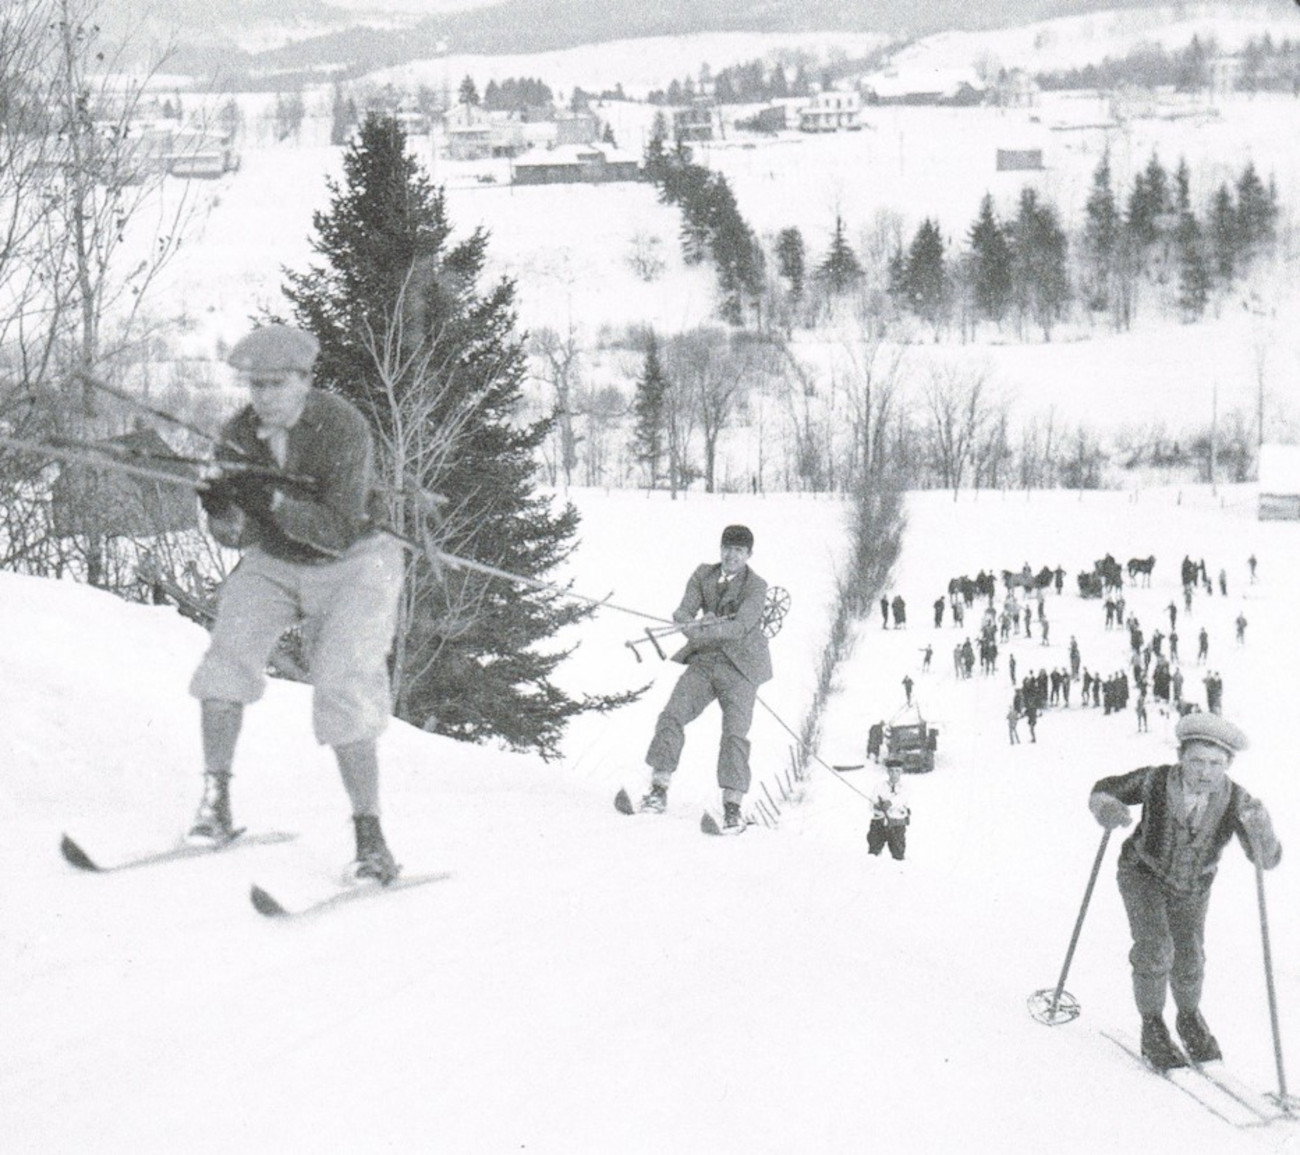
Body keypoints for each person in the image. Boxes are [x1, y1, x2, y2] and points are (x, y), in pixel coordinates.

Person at [187, 325, 408, 883]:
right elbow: (235, 537)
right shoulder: (240, 433)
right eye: (255, 386)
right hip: (278, 561)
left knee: (341, 681)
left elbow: (336, 529)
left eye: (277, 384)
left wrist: (272, 500)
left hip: (355, 561)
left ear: (306, 382)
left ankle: (370, 838)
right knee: (225, 660)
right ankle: (215, 803)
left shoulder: (341, 426)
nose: (264, 397)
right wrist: (220, 508)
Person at [1087, 713, 1281, 1070]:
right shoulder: (1155, 781)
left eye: (1215, 764)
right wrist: (1107, 807)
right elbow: (1105, 788)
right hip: (1143, 873)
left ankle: (1188, 1018)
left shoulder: (1238, 801)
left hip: (1193, 887)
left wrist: (1261, 829)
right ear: (1181, 757)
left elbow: (1266, 859)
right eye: (1196, 761)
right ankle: (1152, 1024)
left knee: (1190, 957)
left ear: (1227, 764)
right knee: (1156, 948)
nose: (1205, 772)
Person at [636, 524, 772, 833]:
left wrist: (705, 628)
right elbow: (682, 613)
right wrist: (694, 625)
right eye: (727, 548)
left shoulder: (756, 586)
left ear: (749, 555)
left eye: (738, 550)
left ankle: (733, 808)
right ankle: (658, 790)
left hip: (741, 668)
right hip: (705, 660)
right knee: (672, 715)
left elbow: (741, 626)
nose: (731, 555)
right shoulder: (703, 575)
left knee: (735, 734)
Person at [867, 758, 910, 860]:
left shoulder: (905, 787)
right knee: (873, 853)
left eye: (897, 771)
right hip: (879, 823)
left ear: (901, 772)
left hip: (897, 824)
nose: (894, 774)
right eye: (891, 771)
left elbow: (902, 799)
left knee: (898, 854)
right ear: (888, 772)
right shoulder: (879, 786)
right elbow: (871, 804)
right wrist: (876, 806)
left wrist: (889, 803)